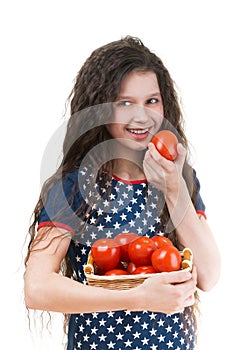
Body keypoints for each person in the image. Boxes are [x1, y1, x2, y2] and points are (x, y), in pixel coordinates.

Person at [24, 36, 220, 350]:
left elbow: (209, 275)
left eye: (151, 101)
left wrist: (174, 189)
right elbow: (37, 288)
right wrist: (136, 297)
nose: (141, 117)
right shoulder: (72, 186)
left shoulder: (180, 178)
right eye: (124, 102)